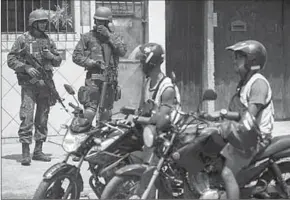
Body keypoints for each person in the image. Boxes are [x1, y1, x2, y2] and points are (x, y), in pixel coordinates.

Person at [217, 40, 274, 199]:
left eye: (239, 58)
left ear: (252, 61)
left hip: (256, 138)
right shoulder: (245, 83)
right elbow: (241, 114)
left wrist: (226, 126)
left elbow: (249, 116)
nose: (234, 61)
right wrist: (221, 115)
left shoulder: (258, 84)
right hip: (246, 134)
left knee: (227, 173)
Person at [7, 9, 63, 166]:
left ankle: (38, 150)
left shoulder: (48, 40)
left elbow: (58, 60)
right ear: (33, 23)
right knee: (27, 116)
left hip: (45, 84)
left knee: (43, 117)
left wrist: (51, 57)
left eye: (46, 22)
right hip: (29, 85)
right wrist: (25, 67)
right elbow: (11, 59)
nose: (44, 25)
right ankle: (26, 152)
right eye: (41, 22)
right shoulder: (23, 39)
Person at [72, 6, 127, 123]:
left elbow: (122, 52)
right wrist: (92, 63)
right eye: (97, 21)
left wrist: (109, 36)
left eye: (102, 21)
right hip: (93, 80)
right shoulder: (88, 37)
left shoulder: (115, 37)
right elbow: (76, 56)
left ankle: (101, 139)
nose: (99, 24)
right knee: (89, 112)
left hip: (110, 80)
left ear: (108, 22)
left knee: (105, 114)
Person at [135, 43, 181, 119]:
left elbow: (162, 119)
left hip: (165, 128)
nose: (140, 64)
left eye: (142, 61)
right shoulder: (147, 83)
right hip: (150, 125)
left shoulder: (167, 88)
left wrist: (135, 118)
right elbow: (141, 110)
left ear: (151, 62)